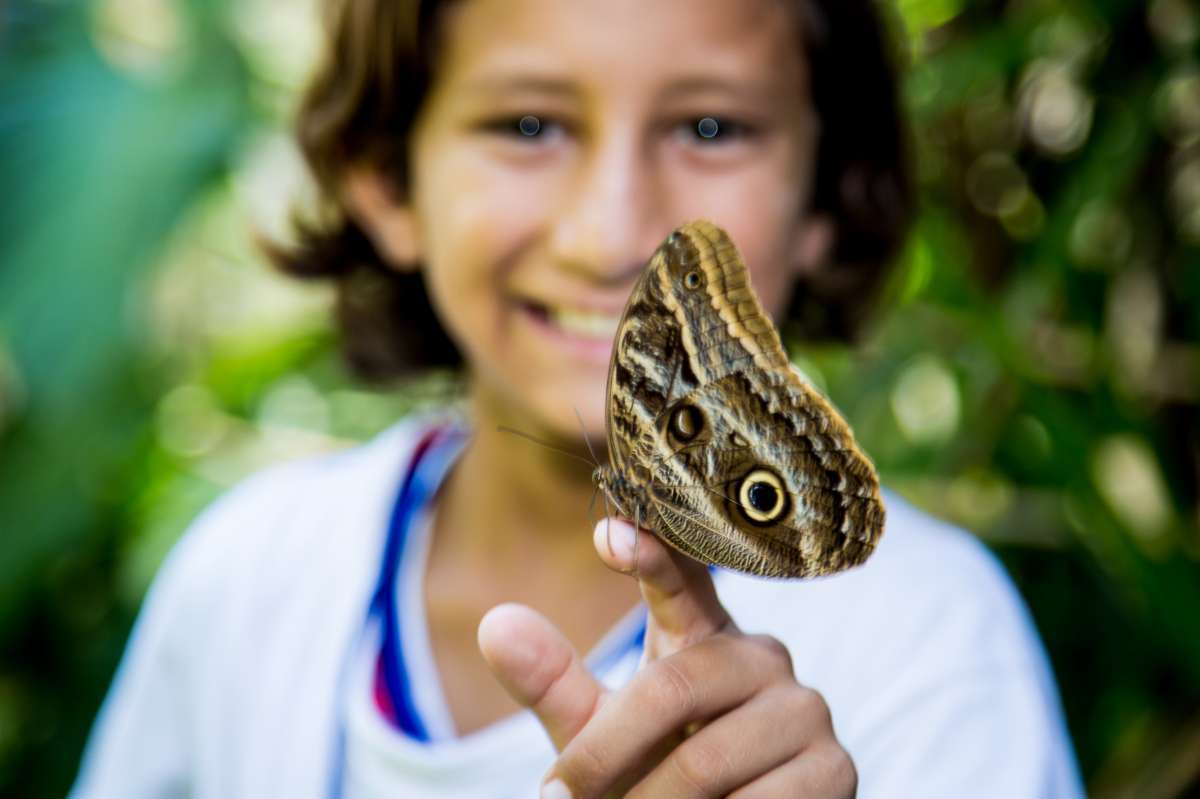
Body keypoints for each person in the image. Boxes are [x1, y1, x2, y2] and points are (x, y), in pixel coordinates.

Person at [72, 0, 1085, 796]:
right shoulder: (246, 579)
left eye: (709, 124)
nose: (610, 233)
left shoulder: (934, 641)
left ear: (827, 193)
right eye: (528, 124)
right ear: (386, 181)